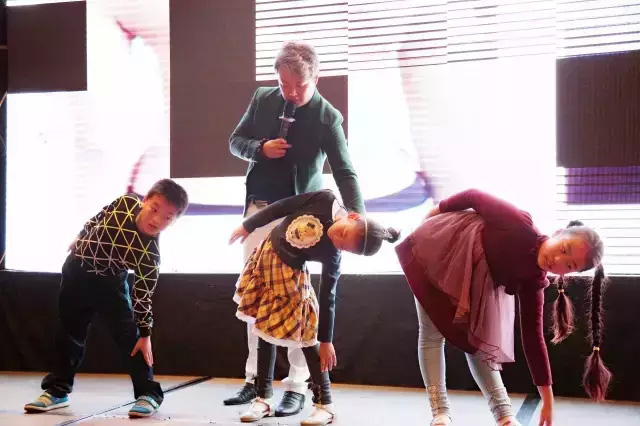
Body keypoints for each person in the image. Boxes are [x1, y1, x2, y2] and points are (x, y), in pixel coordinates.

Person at [226, 40, 364, 417]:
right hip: (259, 208)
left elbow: (345, 171)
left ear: (316, 78)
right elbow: (235, 142)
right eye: (283, 84)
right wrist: (260, 148)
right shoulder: (262, 99)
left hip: (299, 220)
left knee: (297, 302)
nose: (290, 93)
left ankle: (297, 384)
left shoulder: (326, 117)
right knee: (256, 295)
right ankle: (256, 381)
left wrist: (356, 215)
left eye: (299, 86)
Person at [395, 189, 611, 426]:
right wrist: (436, 211)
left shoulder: (533, 281)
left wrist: (547, 399)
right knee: (432, 334)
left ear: (569, 275)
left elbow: (533, 338)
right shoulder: (517, 224)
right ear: (558, 233)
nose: (558, 260)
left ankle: (504, 415)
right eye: (563, 249)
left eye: (569, 265)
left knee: (480, 343)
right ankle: (440, 412)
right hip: (444, 254)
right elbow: (473, 196)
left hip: (478, 286)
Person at [228, 189, 398, 425]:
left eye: (344, 247)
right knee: (263, 331)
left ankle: (325, 405)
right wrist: (249, 225)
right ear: (353, 217)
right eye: (344, 234)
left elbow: (328, 295)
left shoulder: (332, 254)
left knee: (307, 339)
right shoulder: (324, 200)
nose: (337, 240)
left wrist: (326, 341)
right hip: (266, 262)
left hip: (290, 281)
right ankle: (263, 399)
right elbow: (283, 205)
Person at [24, 179, 189, 418]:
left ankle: (149, 394)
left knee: (129, 338)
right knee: (68, 333)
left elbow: (142, 297)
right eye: (154, 209)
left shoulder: (149, 256)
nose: (156, 220)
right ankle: (57, 391)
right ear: (144, 201)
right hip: (76, 271)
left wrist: (145, 334)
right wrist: (80, 237)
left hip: (109, 284)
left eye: (167, 217)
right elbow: (99, 216)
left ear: (173, 222)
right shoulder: (126, 202)